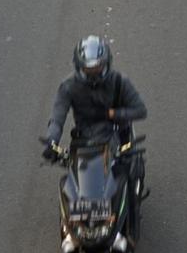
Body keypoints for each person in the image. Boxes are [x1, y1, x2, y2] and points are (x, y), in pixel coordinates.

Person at [42, 35, 148, 173]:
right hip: (84, 139)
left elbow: (140, 110)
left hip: (115, 132)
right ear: (79, 67)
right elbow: (57, 119)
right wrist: (52, 140)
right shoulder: (68, 86)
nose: (93, 74)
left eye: (98, 68)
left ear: (106, 63)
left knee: (128, 171)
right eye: (88, 69)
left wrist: (112, 114)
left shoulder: (120, 81)